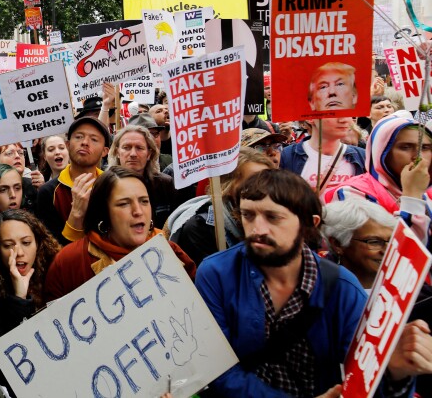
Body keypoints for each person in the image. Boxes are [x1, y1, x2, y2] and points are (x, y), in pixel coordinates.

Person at [195, 169, 429, 397]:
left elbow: (363, 377)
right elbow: (219, 370)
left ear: (310, 224)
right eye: (248, 215)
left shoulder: (342, 288)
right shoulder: (216, 273)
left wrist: (395, 372)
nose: (257, 228)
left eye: (273, 217)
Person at [44, 166, 196, 302]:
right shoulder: (69, 262)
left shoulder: (171, 253)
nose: (138, 211)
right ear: (103, 212)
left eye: (144, 201)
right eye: (124, 203)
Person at [168, 148, 276, 265]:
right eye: (253, 181)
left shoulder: (279, 217)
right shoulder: (200, 227)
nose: (263, 187)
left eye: (267, 180)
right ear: (228, 187)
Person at [0, 209, 60, 344]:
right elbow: (4, 349)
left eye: (26, 243)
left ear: (38, 243)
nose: (19, 252)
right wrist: (19, 299)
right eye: (8, 245)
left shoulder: (55, 268)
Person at [324, 114, 432, 213]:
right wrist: (412, 196)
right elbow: (402, 234)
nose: (418, 157)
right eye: (405, 147)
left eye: (425, 147)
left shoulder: (429, 191)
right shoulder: (352, 193)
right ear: (382, 151)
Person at [36, 116, 110, 245]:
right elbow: (53, 249)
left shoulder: (113, 185)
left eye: (94, 139)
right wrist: (76, 214)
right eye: (79, 137)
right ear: (68, 145)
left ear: (105, 151)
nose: (85, 142)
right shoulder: (48, 192)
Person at [321, 196, 399, 290]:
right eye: (374, 242)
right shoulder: (321, 291)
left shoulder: (408, 288)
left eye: (391, 240)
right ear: (338, 244)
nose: (388, 250)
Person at [108, 124, 178, 226]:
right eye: (126, 147)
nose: (133, 154)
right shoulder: (106, 185)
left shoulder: (165, 184)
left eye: (139, 148)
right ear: (117, 152)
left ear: (149, 154)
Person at [280, 116, 365, 193]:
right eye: (334, 114)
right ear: (311, 118)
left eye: (348, 113)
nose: (345, 119)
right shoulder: (288, 156)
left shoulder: (362, 156)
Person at [0, 142, 40, 213]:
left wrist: (43, 189)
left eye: (21, 153)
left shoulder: (33, 185)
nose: (17, 156)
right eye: (10, 153)